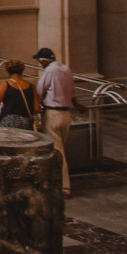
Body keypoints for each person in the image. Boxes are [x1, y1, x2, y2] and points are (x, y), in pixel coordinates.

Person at [35, 47, 84, 196]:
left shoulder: (49, 71)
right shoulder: (66, 69)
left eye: (40, 62)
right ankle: (56, 183)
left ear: (44, 61)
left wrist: (36, 107)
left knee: (57, 152)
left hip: (52, 114)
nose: (40, 65)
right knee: (60, 149)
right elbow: (72, 92)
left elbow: (39, 92)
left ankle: (63, 187)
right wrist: (78, 106)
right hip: (66, 115)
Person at [0, 59, 38, 130]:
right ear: (22, 70)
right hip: (26, 122)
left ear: (8, 71)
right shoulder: (31, 86)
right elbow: (36, 108)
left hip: (9, 121)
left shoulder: (5, 85)